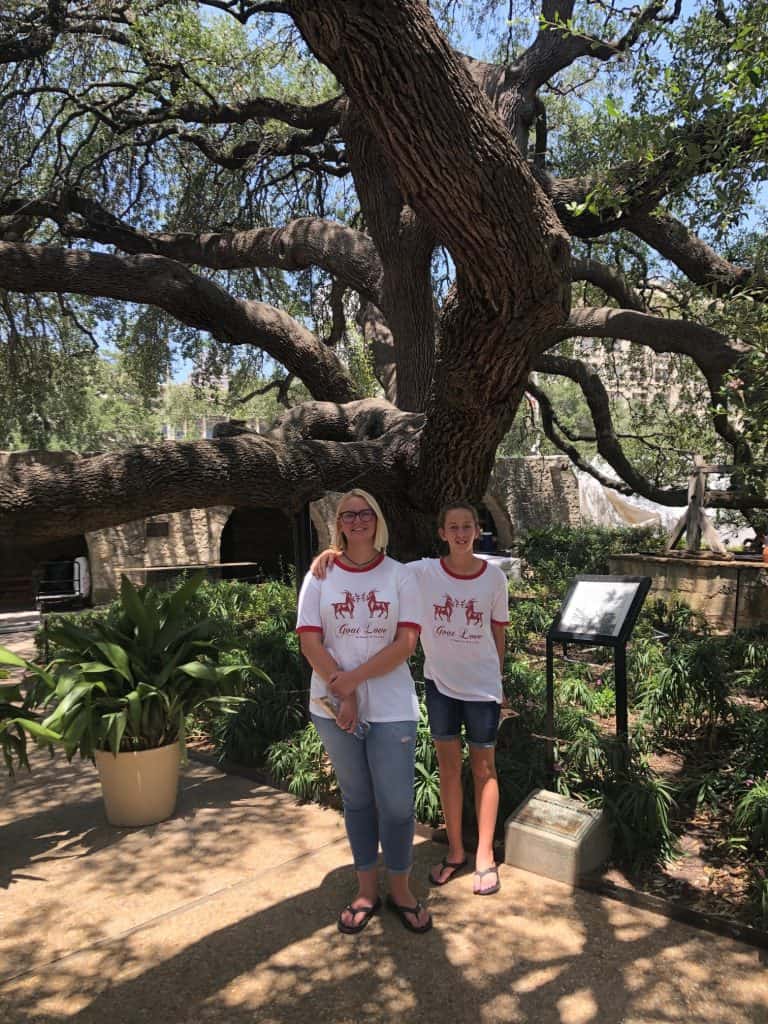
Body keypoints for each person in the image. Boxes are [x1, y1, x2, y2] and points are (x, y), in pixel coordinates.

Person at [311, 501, 509, 896]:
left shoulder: (494, 578)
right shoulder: (421, 572)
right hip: (440, 685)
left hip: (482, 688)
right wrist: (332, 552)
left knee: (484, 769)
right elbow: (372, 561)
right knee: (448, 769)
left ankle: (484, 855)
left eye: (467, 525)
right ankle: (455, 851)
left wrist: (495, 678)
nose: (460, 533)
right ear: (442, 533)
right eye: (452, 526)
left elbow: (498, 632)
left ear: (477, 529)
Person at [296, 489, 432, 934]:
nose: (357, 520)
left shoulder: (399, 576)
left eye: (365, 513)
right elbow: (310, 639)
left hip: (391, 705)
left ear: (377, 520)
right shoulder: (320, 574)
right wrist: (344, 691)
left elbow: (406, 643)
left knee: (394, 805)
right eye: (348, 514)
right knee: (356, 800)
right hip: (331, 705)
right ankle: (365, 889)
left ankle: (401, 888)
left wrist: (354, 682)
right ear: (338, 523)